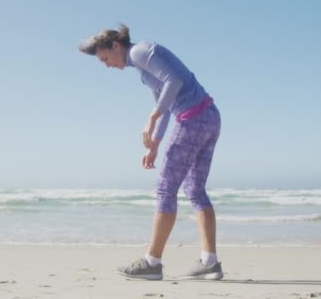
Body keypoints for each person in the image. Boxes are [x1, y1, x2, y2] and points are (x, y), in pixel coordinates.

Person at [79, 24, 223, 281]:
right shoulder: (143, 70)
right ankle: (209, 263)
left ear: (116, 46)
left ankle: (152, 263)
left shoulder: (140, 51)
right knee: (195, 190)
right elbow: (167, 105)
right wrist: (155, 144)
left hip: (192, 118)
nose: (107, 65)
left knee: (166, 189)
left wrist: (152, 115)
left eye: (105, 58)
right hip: (209, 116)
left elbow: (173, 82)